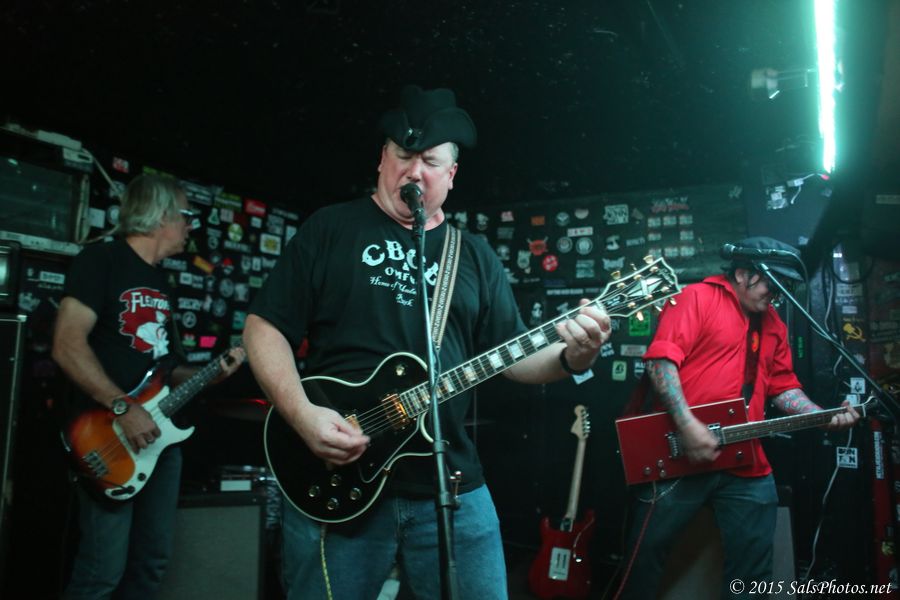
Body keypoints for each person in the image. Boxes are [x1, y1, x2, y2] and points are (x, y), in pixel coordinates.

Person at [242, 84, 612, 599]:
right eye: (403, 155)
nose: (414, 172)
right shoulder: (331, 228)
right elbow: (263, 327)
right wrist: (303, 415)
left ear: (451, 174)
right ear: (382, 159)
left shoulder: (473, 255)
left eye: (431, 161)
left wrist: (576, 354)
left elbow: (514, 357)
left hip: (450, 478)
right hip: (336, 473)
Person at [619, 236, 860, 599]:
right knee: (645, 558)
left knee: (753, 567)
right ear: (744, 274)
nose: (775, 295)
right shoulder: (696, 297)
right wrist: (687, 425)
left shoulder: (773, 323)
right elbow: (661, 362)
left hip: (744, 456)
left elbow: (782, 386)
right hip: (679, 449)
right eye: (772, 285)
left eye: (784, 288)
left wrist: (819, 415)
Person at [52, 174, 245, 600]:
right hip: (107, 434)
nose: (190, 226)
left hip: (158, 439)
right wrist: (123, 407)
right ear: (161, 216)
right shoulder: (101, 260)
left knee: (151, 564)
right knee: (101, 573)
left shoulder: (160, 282)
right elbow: (66, 344)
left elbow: (164, 370)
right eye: (186, 215)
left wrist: (212, 373)